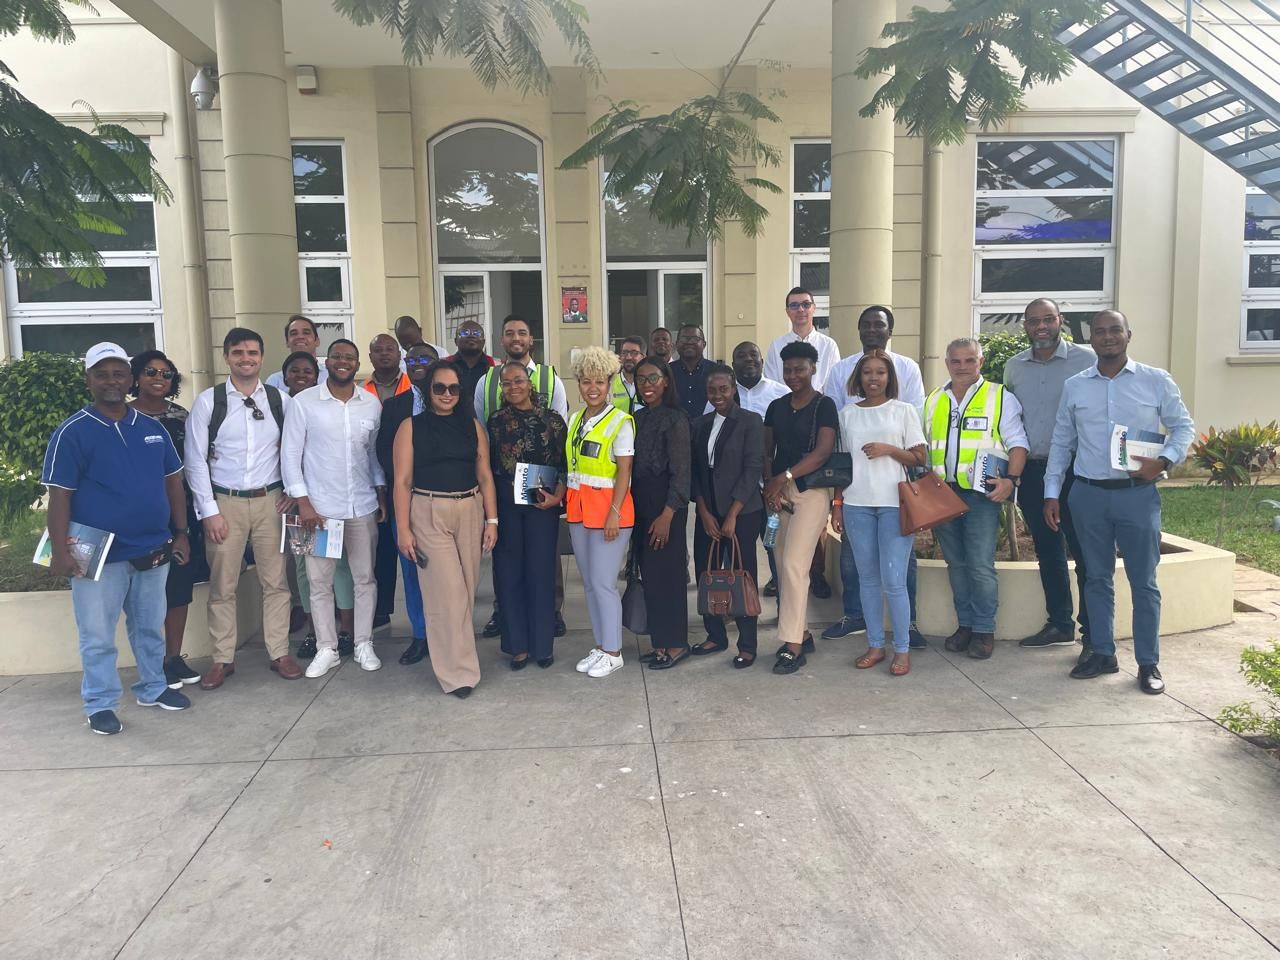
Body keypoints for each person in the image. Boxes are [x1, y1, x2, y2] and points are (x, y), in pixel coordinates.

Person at [42, 343, 193, 735]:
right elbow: (60, 496)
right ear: (88, 380)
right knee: (97, 634)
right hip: (94, 548)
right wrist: (60, 551)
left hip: (152, 545)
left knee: (149, 626)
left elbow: (173, 484)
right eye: (102, 374)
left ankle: (153, 687)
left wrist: (180, 533)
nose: (111, 381)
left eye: (118, 374)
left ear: (130, 380)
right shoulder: (72, 432)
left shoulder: (153, 428)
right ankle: (100, 703)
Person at [1045, 309, 1195, 695]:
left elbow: (1183, 427)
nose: (1108, 337)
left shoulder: (1155, 380)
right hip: (1088, 495)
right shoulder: (1076, 386)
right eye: (1100, 331)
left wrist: (1165, 460)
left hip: (1136, 496)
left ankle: (1148, 663)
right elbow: (1061, 442)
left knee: (1144, 582)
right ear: (1091, 338)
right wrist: (1051, 492)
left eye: (1115, 330)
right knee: (1095, 577)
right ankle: (1102, 652)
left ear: (1129, 335)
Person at [186, 328, 299, 690]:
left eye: (252, 352)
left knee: (276, 582)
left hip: (271, 502)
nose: (245, 358)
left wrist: (292, 491)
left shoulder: (280, 401)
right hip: (225, 502)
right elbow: (195, 461)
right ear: (227, 357)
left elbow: (295, 449)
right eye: (238, 352)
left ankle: (279, 652)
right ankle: (222, 658)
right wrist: (209, 511)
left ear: (262, 357)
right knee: (223, 584)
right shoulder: (209, 402)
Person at [821, 306, 927, 648]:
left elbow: (919, 455)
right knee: (863, 575)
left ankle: (904, 640)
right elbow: (841, 463)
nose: (873, 378)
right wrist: (837, 504)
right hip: (856, 503)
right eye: (867, 372)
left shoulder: (904, 406)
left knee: (896, 578)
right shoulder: (847, 413)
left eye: (880, 372)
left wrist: (889, 449)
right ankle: (870, 638)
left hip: (895, 502)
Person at [393, 360, 499, 698]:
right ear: (428, 390)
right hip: (428, 511)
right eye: (439, 387)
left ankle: (460, 659)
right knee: (447, 594)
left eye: (453, 388)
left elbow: (485, 475)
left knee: (466, 590)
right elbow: (402, 481)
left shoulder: (472, 427)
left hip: (470, 508)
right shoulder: (410, 427)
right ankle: (458, 674)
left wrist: (492, 520)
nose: (447, 394)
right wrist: (403, 528)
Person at [282, 339, 387, 679]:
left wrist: (380, 493)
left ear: (357, 364)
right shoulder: (304, 403)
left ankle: (363, 642)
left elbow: (372, 455)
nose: (343, 362)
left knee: (364, 578)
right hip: (318, 510)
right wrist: (303, 502)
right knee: (319, 582)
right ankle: (326, 647)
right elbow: (290, 456)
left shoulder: (370, 404)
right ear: (327, 362)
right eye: (337, 356)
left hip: (361, 505)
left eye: (350, 358)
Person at [924, 337, 1030, 661]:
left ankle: (984, 630)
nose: (962, 367)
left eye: (969, 360)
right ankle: (966, 626)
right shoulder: (933, 400)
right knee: (956, 564)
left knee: (980, 565)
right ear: (947, 363)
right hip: (943, 495)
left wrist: (1011, 480)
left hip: (982, 496)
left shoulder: (999, 396)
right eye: (956, 361)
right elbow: (923, 446)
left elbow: (1018, 443)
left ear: (980, 362)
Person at [1004, 297, 1096, 654]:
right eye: (1033, 321)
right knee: (1047, 549)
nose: (1040, 327)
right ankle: (1060, 624)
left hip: (1076, 471)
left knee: (1084, 552)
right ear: (1025, 326)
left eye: (1047, 319)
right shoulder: (1014, 367)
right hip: (1033, 471)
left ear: (1060, 320)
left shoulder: (1086, 361)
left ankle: (1092, 632)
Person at [474, 314, 569, 639]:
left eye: (522, 332)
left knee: (545, 556)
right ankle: (504, 611)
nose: (516, 338)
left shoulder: (551, 378)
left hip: (541, 484)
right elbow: (481, 430)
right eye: (510, 332)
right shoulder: (487, 381)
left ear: (531, 339)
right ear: (502, 339)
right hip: (504, 486)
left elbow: (559, 438)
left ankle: (550, 612)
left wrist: (557, 491)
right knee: (507, 558)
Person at [128, 350, 208, 690]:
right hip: (138, 515)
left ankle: (173, 658)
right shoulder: (124, 417)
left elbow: (195, 461)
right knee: (144, 594)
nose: (159, 378)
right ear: (136, 377)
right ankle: (152, 663)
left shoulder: (181, 416)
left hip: (180, 513)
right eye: (150, 372)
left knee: (178, 587)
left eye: (165, 373)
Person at [762, 341, 838, 675]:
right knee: (782, 565)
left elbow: (822, 453)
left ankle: (792, 646)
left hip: (811, 492)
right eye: (788, 369)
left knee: (795, 564)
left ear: (813, 369)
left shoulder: (824, 405)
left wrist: (784, 477)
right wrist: (771, 485)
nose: (793, 375)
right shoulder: (776, 407)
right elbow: (767, 451)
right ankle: (802, 633)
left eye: (800, 369)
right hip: (779, 493)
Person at [487, 360, 568, 669]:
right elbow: (488, 465)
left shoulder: (552, 420)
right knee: (509, 573)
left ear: (530, 383)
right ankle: (517, 646)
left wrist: (558, 495)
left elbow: (565, 464)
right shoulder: (496, 421)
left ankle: (542, 646)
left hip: (541, 504)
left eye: (518, 381)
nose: (513, 387)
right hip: (506, 504)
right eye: (506, 383)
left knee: (541, 572)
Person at [280, 352, 356, 659]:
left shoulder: (325, 405)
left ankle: (346, 631)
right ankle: (314, 632)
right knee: (305, 569)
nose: (301, 375)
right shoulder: (280, 405)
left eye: (307, 371)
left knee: (340, 564)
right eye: (295, 370)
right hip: (302, 504)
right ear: (284, 376)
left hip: (331, 501)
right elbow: (284, 455)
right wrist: (295, 494)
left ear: (317, 375)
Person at [565, 346, 636, 679]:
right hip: (579, 512)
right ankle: (601, 644)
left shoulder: (620, 422)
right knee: (590, 584)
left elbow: (624, 473)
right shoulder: (575, 419)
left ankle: (614, 652)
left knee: (604, 583)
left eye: (599, 382)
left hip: (609, 514)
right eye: (586, 381)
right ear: (579, 383)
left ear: (609, 384)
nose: (592, 388)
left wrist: (614, 513)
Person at [691, 364, 765, 667]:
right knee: (706, 572)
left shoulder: (750, 421)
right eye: (712, 390)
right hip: (708, 511)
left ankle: (747, 644)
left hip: (742, 512)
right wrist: (704, 511)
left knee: (741, 575)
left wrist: (733, 513)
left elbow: (753, 468)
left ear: (734, 389)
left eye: (723, 389)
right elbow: (696, 471)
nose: (717, 395)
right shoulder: (700, 424)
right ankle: (715, 635)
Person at [375, 343, 435, 666]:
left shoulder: (453, 399)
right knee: (412, 569)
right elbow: (383, 451)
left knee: (445, 572)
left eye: (425, 358)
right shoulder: (394, 406)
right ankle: (421, 634)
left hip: (443, 500)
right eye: (411, 359)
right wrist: (407, 481)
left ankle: (447, 633)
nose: (418, 363)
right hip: (406, 499)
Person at [630, 357, 692, 668]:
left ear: (666, 380)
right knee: (651, 577)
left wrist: (667, 515)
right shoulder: (638, 417)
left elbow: (681, 473)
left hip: (666, 507)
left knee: (669, 576)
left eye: (653, 378)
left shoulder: (676, 419)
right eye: (641, 379)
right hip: (641, 505)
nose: (647, 385)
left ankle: (676, 644)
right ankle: (660, 642)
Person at [364, 333, 414, 632]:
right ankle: (381, 611)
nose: (384, 354)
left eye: (390, 349)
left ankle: (421, 620)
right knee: (381, 550)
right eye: (378, 350)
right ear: (370, 356)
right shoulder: (362, 391)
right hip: (375, 478)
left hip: (407, 479)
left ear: (400, 355)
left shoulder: (412, 386)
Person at [763, 286, 841, 393]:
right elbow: (772, 385)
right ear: (787, 311)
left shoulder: (829, 345)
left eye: (806, 304)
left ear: (814, 308)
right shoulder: (776, 346)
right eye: (794, 305)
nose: (800, 309)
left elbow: (834, 385)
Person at [265, 314, 328, 390]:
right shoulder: (275, 381)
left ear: (317, 341)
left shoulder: (329, 377)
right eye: (294, 333)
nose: (300, 337)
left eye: (306, 333)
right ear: (287, 342)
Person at [669, 324, 711, 419]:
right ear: (676, 344)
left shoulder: (715, 371)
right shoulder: (667, 371)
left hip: (708, 426)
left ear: (704, 344)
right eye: (684, 339)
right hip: (673, 426)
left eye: (695, 339)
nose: (689, 343)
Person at [446, 320, 495, 400]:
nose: (471, 336)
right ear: (456, 341)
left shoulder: (496, 365)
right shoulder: (444, 365)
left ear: (483, 342)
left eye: (476, 333)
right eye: (465, 333)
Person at [611, 335, 646, 413]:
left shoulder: (649, 384)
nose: (628, 357)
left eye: (634, 353)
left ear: (643, 357)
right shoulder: (610, 383)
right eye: (624, 353)